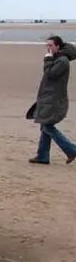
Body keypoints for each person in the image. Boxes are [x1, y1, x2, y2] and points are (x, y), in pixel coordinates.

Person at [27, 35, 76, 165]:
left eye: (50, 46)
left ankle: (71, 149)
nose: (48, 48)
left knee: (47, 126)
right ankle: (43, 155)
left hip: (55, 99)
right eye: (47, 46)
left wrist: (47, 60)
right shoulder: (58, 59)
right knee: (44, 125)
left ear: (58, 46)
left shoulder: (62, 61)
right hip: (48, 97)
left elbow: (50, 74)